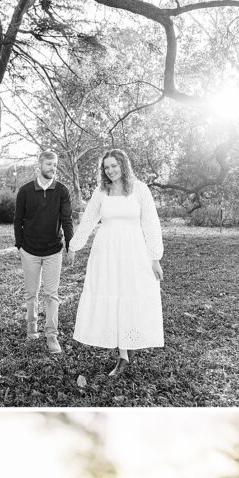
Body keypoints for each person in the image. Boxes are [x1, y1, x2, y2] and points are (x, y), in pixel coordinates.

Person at [68, 147, 164, 374]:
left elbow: (151, 223)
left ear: (123, 165)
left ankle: (130, 345)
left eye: (114, 165)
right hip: (107, 251)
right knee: (113, 295)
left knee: (131, 294)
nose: (110, 171)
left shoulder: (140, 190)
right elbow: (89, 220)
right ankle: (123, 354)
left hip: (134, 251)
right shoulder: (102, 191)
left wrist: (155, 257)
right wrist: (74, 246)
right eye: (106, 167)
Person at [14, 143, 74, 359]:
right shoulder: (25, 191)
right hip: (29, 251)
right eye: (49, 164)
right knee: (32, 294)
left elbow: (67, 220)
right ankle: (32, 328)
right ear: (39, 165)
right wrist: (19, 246)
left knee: (51, 295)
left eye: (55, 165)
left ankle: (51, 335)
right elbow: (17, 220)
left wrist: (70, 245)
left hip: (53, 251)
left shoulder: (62, 191)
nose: (53, 168)